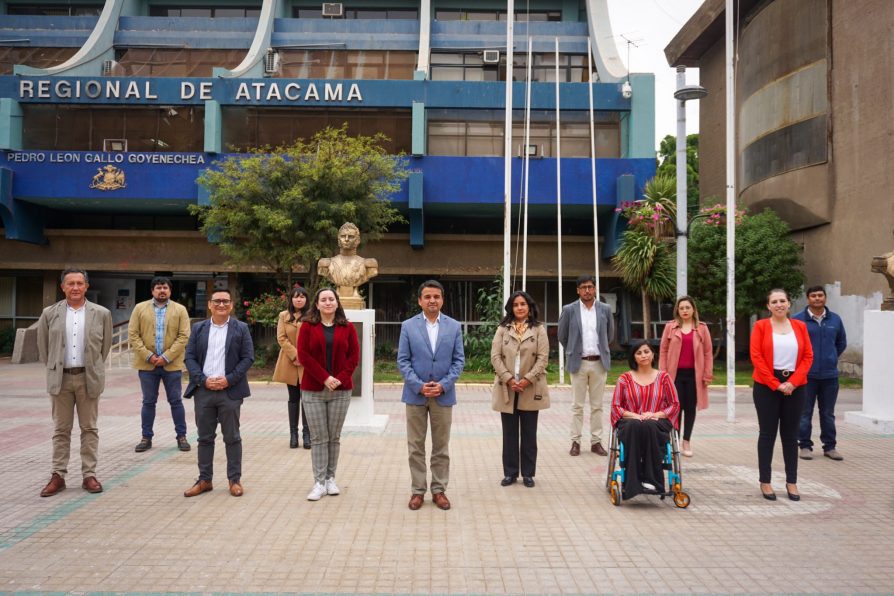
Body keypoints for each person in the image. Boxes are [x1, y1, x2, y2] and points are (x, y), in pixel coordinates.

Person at [37, 268, 113, 497]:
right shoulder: (50, 313)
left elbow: (105, 347)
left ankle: (89, 475)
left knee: (89, 428)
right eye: (70, 283)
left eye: (80, 283)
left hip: (88, 378)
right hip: (60, 379)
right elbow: (44, 348)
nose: (75, 288)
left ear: (86, 286)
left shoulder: (101, 313)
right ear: (63, 287)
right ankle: (57, 475)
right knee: (61, 429)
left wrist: (93, 369)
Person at [397, 280, 465, 511]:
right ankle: (418, 491)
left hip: (443, 395)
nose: (432, 300)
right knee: (415, 446)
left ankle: (439, 490)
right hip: (415, 395)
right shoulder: (408, 326)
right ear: (420, 300)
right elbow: (403, 361)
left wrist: (444, 385)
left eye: (436, 296)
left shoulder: (454, 326)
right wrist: (419, 385)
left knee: (441, 446)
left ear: (442, 299)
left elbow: (459, 361)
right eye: (427, 297)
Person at [182, 289, 254, 498]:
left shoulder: (241, 329)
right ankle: (205, 480)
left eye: (225, 301)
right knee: (204, 438)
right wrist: (203, 380)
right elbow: (190, 357)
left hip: (230, 392)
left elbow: (248, 358)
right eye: (217, 301)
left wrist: (228, 379)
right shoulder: (198, 329)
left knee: (232, 437)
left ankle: (234, 480)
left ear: (231, 305)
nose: (221, 305)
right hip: (204, 391)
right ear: (210, 305)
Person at [750, 288, 813, 502]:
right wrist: (776, 384)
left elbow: (807, 356)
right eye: (774, 301)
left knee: (790, 436)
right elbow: (757, 357)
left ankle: (791, 481)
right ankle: (765, 481)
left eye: (782, 301)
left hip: (795, 386)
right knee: (767, 434)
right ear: (768, 306)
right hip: (767, 386)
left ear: (788, 304)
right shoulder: (760, 326)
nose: (779, 304)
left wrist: (792, 383)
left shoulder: (800, 326)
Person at [297, 288, 360, 501]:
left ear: (337, 302)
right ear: (316, 304)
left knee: (333, 437)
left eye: (331, 299)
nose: (327, 302)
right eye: (323, 299)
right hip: (313, 390)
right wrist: (325, 378)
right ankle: (319, 482)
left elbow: (353, 357)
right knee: (318, 437)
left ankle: (330, 478)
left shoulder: (348, 327)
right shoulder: (307, 326)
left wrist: (338, 378)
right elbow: (304, 356)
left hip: (341, 391)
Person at [491, 291, 550, 488]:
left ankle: (528, 474)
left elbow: (543, 358)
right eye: (516, 304)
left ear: (529, 306)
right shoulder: (502, 329)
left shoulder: (539, 329)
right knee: (509, 434)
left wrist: (526, 380)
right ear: (511, 307)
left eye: (523, 304)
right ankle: (510, 473)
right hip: (507, 387)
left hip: (530, 387)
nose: (519, 308)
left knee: (529, 433)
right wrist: (508, 379)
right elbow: (495, 357)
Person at [127, 276, 192, 453]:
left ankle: (182, 436)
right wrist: (149, 356)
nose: (161, 290)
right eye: (158, 288)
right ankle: (146, 437)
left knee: (176, 401)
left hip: (171, 366)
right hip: (147, 365)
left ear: (170, 291)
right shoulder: (140, 308)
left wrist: (166, 357)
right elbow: (133, 334)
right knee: (148, 402)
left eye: (165, 288)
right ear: (152, 291)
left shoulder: (180, 310)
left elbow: (184, 336)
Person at [610, 340, 680, 500]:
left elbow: (675, 405)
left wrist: (656, 414)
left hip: (657, 421)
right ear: (633, 357)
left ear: (653, 354)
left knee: (649, 425)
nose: (643, 356)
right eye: (639, 353)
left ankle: (652, 480)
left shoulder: (664, 378)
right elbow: (616, 407)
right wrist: (635, 415)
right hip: (630, 420)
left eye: (646, 351)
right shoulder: (624, 379)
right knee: (636, 425)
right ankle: (633, 483)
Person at [557, 274, 614, 456]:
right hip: (578, 363)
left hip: (599, 363)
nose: (587, 290)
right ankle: (575, 442)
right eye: (583, 287)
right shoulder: (569, 309)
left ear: (595, 288)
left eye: (590, 287)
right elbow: (562, 335)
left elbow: (609, 334)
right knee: (577, 406)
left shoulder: (605, 309)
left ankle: (596, 442)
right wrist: (572, 350)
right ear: (578, 290)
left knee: (597, 406)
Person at [793, 285, 848, 461]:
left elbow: (841, 343)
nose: (817, 298)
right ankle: (805, 446)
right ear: (808, 298)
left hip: (829, 376)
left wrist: (830, 358)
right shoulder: (797, 320)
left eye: (820, 295)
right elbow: (794, 346)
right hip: (806, 376)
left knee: (828, 413)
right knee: (804, 412)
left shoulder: (835, 320)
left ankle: (830, 447)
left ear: (825, 297)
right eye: (813, 296)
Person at [659, 296, 713, 457]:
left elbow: (708, 352)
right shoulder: (670, 327)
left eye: (687, 308)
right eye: (681, 308)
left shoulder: (702, 328)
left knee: (690, 409)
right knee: (675, 408)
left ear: (693, 310)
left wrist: (707, 374)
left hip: (694, 375)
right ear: (677, 310)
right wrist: (662, 374)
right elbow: (663, 351)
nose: (684, 311)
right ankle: (674, 439)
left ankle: (686, 441)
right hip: (674, 375)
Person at [272, 286, 311, 449]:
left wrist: (303, 357)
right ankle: (293, 435)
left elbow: (314, 338)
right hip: (289, 361)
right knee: (293, 398)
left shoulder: (312, 315)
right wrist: (295, 355)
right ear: (291, 299)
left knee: (307, 400)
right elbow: (281, 338)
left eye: (302, 297)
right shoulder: (283, 315)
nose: (299, 299)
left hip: (308, 363)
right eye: (296, 297)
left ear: (306, 299)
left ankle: (307, 435)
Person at [317, 222, 379, 309]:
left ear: (358, 240)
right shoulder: (325, 263)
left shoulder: (369, 263)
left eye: (351, 237)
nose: (346, 239)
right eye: (343, 236)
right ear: (338, 240)